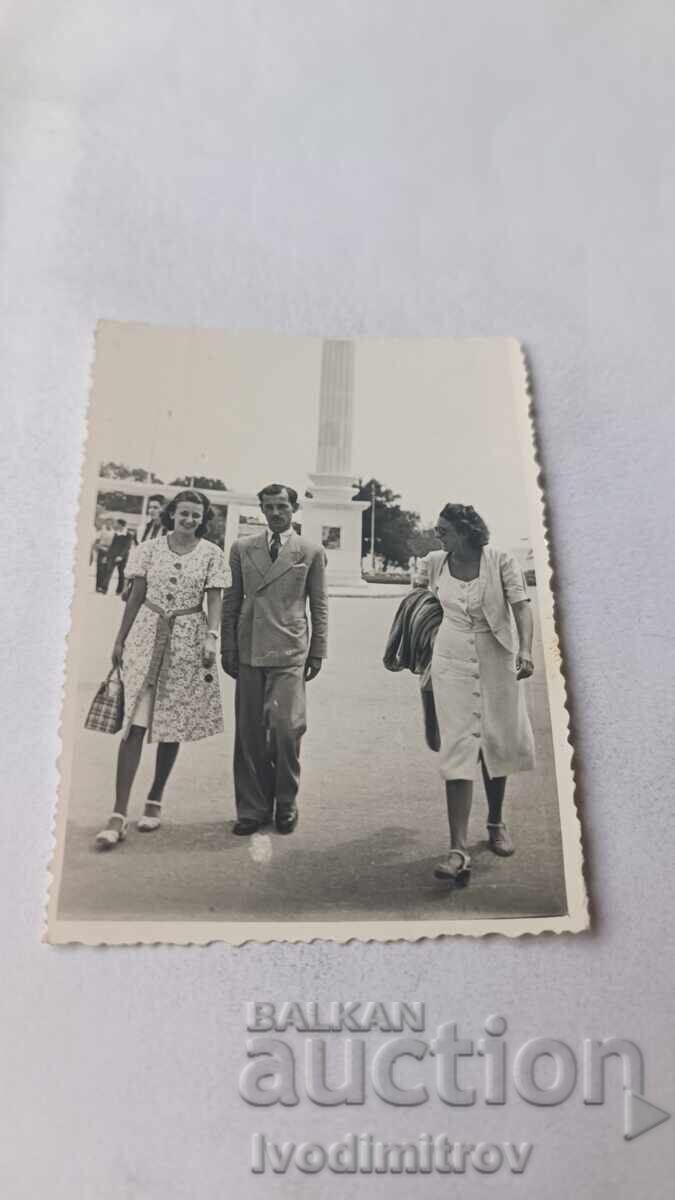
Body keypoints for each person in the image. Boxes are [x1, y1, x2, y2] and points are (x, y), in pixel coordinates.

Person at [95, 490, 230, 849]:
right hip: (146, 634)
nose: (189, 520)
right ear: (172, 514)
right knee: (134, 726)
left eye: (195, 515)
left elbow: (214, 600)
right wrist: (119, 639)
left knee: (172, 721)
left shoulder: (212, 554)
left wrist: (212, 637)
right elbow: (135, 597)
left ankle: (154, 798)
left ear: (203, 519)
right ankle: (118, 813)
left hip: (188, 638)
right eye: (183, 513)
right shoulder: (149, 549)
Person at [412, 503, 535, 886]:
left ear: (466, 531)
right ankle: (457, 850)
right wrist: (422, 647)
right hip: (450, 662)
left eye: (444, 529)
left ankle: (496, 823)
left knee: (495, 742)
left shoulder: (499, 561)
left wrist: (526, 650)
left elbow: (521, 607)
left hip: (496, 659)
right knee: (458, 748)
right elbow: (415, 605)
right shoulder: (434, 562)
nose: (438, 534)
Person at [221, 483, 328, 836]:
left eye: (282, 506)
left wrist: (318, 650)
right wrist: (228, 647)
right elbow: (231, 600)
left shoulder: (310, 550)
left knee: (286, 728)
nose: (276, 513)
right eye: (269, 507)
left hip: (290, 650)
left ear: (294, 509)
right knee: (249, 733)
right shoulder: (241, 548)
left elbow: (319, 604)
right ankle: (252, 808)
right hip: (249, 647)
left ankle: (285, 801)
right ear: (261, 510)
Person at [105, 519, 134, 595]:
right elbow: (112, 545)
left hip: (122, 558)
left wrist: (120, 556)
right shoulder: (116, 534)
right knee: (108, 571)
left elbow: (127, 547)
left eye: (117, 524)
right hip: (112, 556)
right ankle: (104, 589)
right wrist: (108, 555)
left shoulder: (128, 535)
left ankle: (119, 591)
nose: (115, 525)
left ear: (121, 525)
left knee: (121, 574)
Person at [92, 518, 115, 592]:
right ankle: (98, 587)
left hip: (110, 551)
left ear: (112, 524)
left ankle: (104, 588)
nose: (109, 524)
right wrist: (96, 548)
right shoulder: (101, 531)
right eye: (107, 523)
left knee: (107, 570)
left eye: (110, 523)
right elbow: (96, 541)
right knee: (100, 569)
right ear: (105, 523)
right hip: (102, 550)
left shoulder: (114, 533)